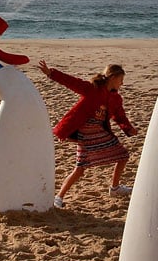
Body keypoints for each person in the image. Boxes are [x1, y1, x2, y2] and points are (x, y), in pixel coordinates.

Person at [37, 60, 138, 208]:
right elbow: (72, 82)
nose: (121, 84)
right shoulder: (93, 89)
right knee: (80, 169)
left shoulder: (116, 98)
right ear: (113, 78)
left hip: (100, 132)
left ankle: (115, 188)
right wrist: (51, 73)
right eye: (121, 80)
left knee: (123, 155)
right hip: (85, 133)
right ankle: (59, 196)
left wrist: (128, 128)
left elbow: (120, 116)